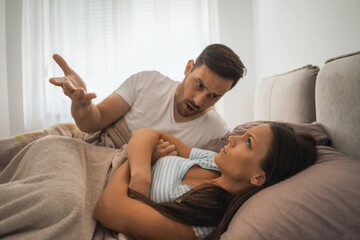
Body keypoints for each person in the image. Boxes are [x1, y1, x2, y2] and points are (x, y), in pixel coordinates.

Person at [93, 122, 318, 240]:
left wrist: (138, 162)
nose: (232, 138)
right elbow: (147, 135)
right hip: (99, 162)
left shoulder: (203, 219)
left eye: (248, 142)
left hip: (94, 189)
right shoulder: (215, 162)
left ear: (258, 177)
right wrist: (142, 175)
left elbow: (107, 208)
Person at [49, 44, 246, 148]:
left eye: (214, 96)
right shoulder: (147, 82)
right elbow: (95, 121)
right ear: (188, 68)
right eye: (199, 84)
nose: (199, 101)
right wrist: (81, 106)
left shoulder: (216, 131)